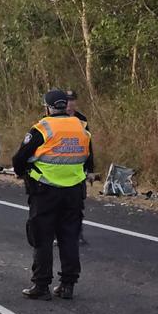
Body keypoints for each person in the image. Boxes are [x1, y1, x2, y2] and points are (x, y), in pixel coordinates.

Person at [12, 89, 92, 300]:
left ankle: (41, 285)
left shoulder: (42, 128)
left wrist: (23, 173)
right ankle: (68, 285)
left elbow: (19, 159)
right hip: (74, 191)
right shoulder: (82, 127)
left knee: (42, 238)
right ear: (65, 105)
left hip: (45, 191)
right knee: (69, 238)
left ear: (48, 107)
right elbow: (89, 162)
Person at [66, 90, 94, 245]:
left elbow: (88, 146)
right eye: (67, 100)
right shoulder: (52, 120)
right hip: (58, 170)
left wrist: (90, 169)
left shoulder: (82, 120)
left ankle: (78, 233)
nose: (70, 104)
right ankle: (58, 234)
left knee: (77, 204)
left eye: (72, 100)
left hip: (77, 169)